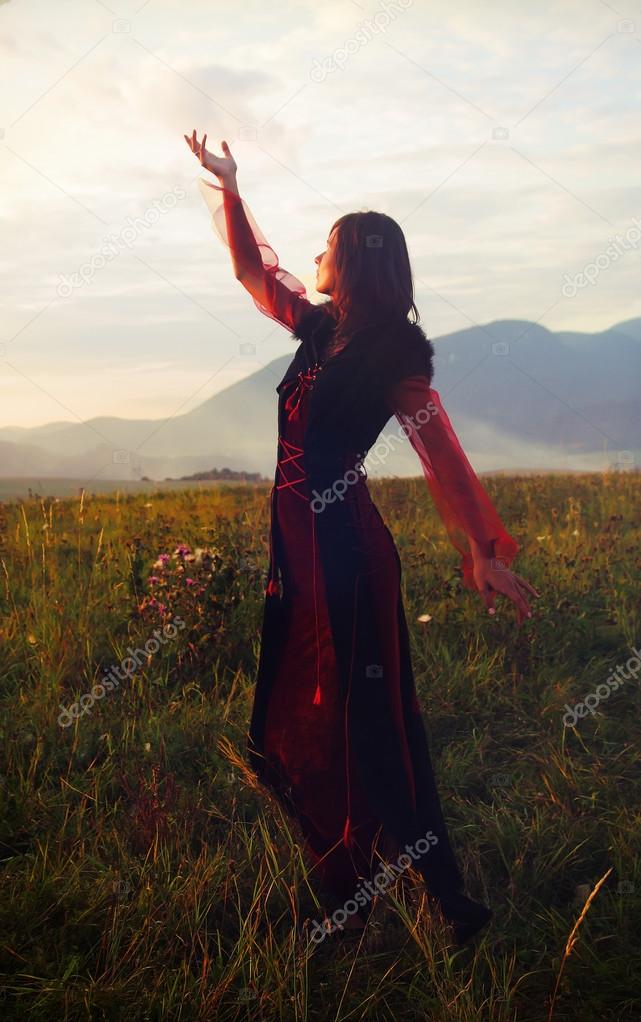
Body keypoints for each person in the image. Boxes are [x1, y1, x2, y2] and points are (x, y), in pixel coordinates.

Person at [184, 131, 540, 945]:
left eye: (327, 246)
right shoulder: (318, 331)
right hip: (300, 562)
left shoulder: (395, 357)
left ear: (350, 265)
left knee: (374, 723)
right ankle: (352, 880)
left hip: (349, 560)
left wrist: (479, 547)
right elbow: (252, 273)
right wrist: (232, 191)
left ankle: (437, 898)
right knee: (310, 709)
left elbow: (437, 449)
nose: (312, 255)